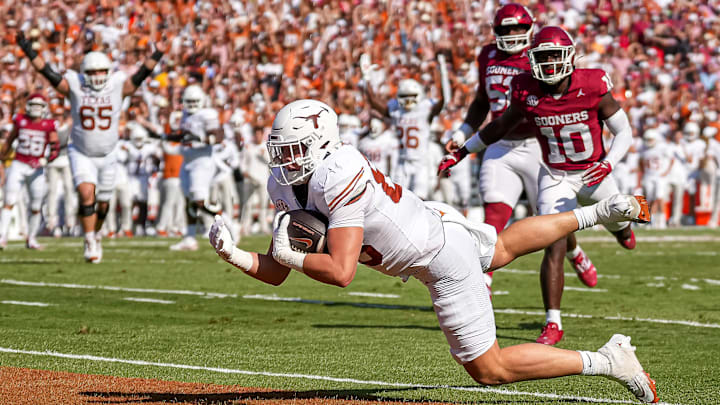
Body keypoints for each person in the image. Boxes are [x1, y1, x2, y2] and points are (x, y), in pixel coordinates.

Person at [208, 99, 657, 404]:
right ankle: (596, 213)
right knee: (499, 248)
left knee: (491, 369)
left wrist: (291, 256)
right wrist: (235, 254)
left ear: (323, 142)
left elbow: (341, 271)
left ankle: (607, 360)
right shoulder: (288, 181)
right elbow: (277, 271)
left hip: (438, 258)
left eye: (295, 150)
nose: (286, 162)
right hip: (433, 222)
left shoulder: (336, 172)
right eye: (281, 152)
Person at [438, 26, 638, 346]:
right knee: (553, 242)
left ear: (570, 57)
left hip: (595, 172)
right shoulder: (525, 89)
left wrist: (609, 163)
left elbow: (624, 131)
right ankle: (553, 323)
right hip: (556, 176)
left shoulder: (593, 83)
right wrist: (462, 152)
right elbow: (500, 126)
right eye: (541, 56)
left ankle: (622, 231)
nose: (547, 64)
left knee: (624, 228)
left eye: (554, 56)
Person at [446, 4, 597, 306]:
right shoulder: (487, 55)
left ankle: (573, 251)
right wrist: (462, 134)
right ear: (496, 31)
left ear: (530, 28)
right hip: (500, 145)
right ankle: (484, 281)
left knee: (551, 221)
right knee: (494, 216)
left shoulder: (543, 56)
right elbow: (480, 101)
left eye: (518, 28)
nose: (513, 34)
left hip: (539, 146)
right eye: (506, 29)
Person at [16, 32, 166, 263]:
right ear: (85, 74)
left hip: (108, 153)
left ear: (108, 72)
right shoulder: (75, 85)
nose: (97, 76)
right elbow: (47, 71)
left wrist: (158, 53)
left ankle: (95, 232)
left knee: (104, 204)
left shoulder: (118, 85)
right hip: (82, 151)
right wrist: (28, 50)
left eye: (100, 71)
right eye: (92, 72)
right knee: (87, 195)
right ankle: (88, 239)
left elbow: (141, 74)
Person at [364, 74, 445, 200]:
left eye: (412, 96)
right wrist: (367, 79)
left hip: (421, 163)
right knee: (398, 201)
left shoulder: (425, 109)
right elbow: (374, 102)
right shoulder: (396, 111)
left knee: (419, 201)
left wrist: (442, 76)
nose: (408, 100)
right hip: (402, 163)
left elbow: (442, 102)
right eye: (404, 96)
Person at [169, 85, 224, 251]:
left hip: (202, 160)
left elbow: (219, 135)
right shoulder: (185, 114)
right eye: (189, 101)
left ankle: (226, 221)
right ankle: (190, 238)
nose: (192, 104)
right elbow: (184, 136)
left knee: (199, 200)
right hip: (187, 160)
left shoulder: (208, 114)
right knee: (189, 200)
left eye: (195, 101)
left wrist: (201, 138)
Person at [0, 94, 59, 249]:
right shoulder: (21, 120)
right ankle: (2, 237)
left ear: (45, 108)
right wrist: (2, 158)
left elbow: (55, 148)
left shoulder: (48, 125)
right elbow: (10, 140)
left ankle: (31, 238)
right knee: (9, 200)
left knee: (35, 205)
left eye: (39, 106)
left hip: (36, 168)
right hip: (19, 163)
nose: (36, 109)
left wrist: (46, 160)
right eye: (33, 105)